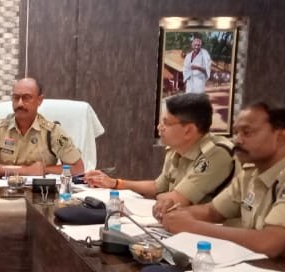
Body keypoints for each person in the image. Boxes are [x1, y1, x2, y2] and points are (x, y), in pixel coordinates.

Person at [160, 102, 285, 257]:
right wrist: (177, 213)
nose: (237, 140)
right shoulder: (251, 171)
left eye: (247, 132)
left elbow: (269, 243)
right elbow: (213, 211)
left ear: (281, 136)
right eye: (236, 132)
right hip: (248, 265)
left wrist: (192, 226)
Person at [85, 93, 234, 217]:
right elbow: (158, 186)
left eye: (166, 123)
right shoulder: (177, 148)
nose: (159, 127)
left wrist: (143, 201)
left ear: (188, 130)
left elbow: (177, 200)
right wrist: (116, 183)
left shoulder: (216, 154)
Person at [0, 77, 84, 178]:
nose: (20, 103)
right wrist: (27, 171)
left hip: (40, 190)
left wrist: (44, 170)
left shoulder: (52, 132)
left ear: (39, 100)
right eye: (16, 97)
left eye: (26, 98)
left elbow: (78, 168)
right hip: (2, 189)